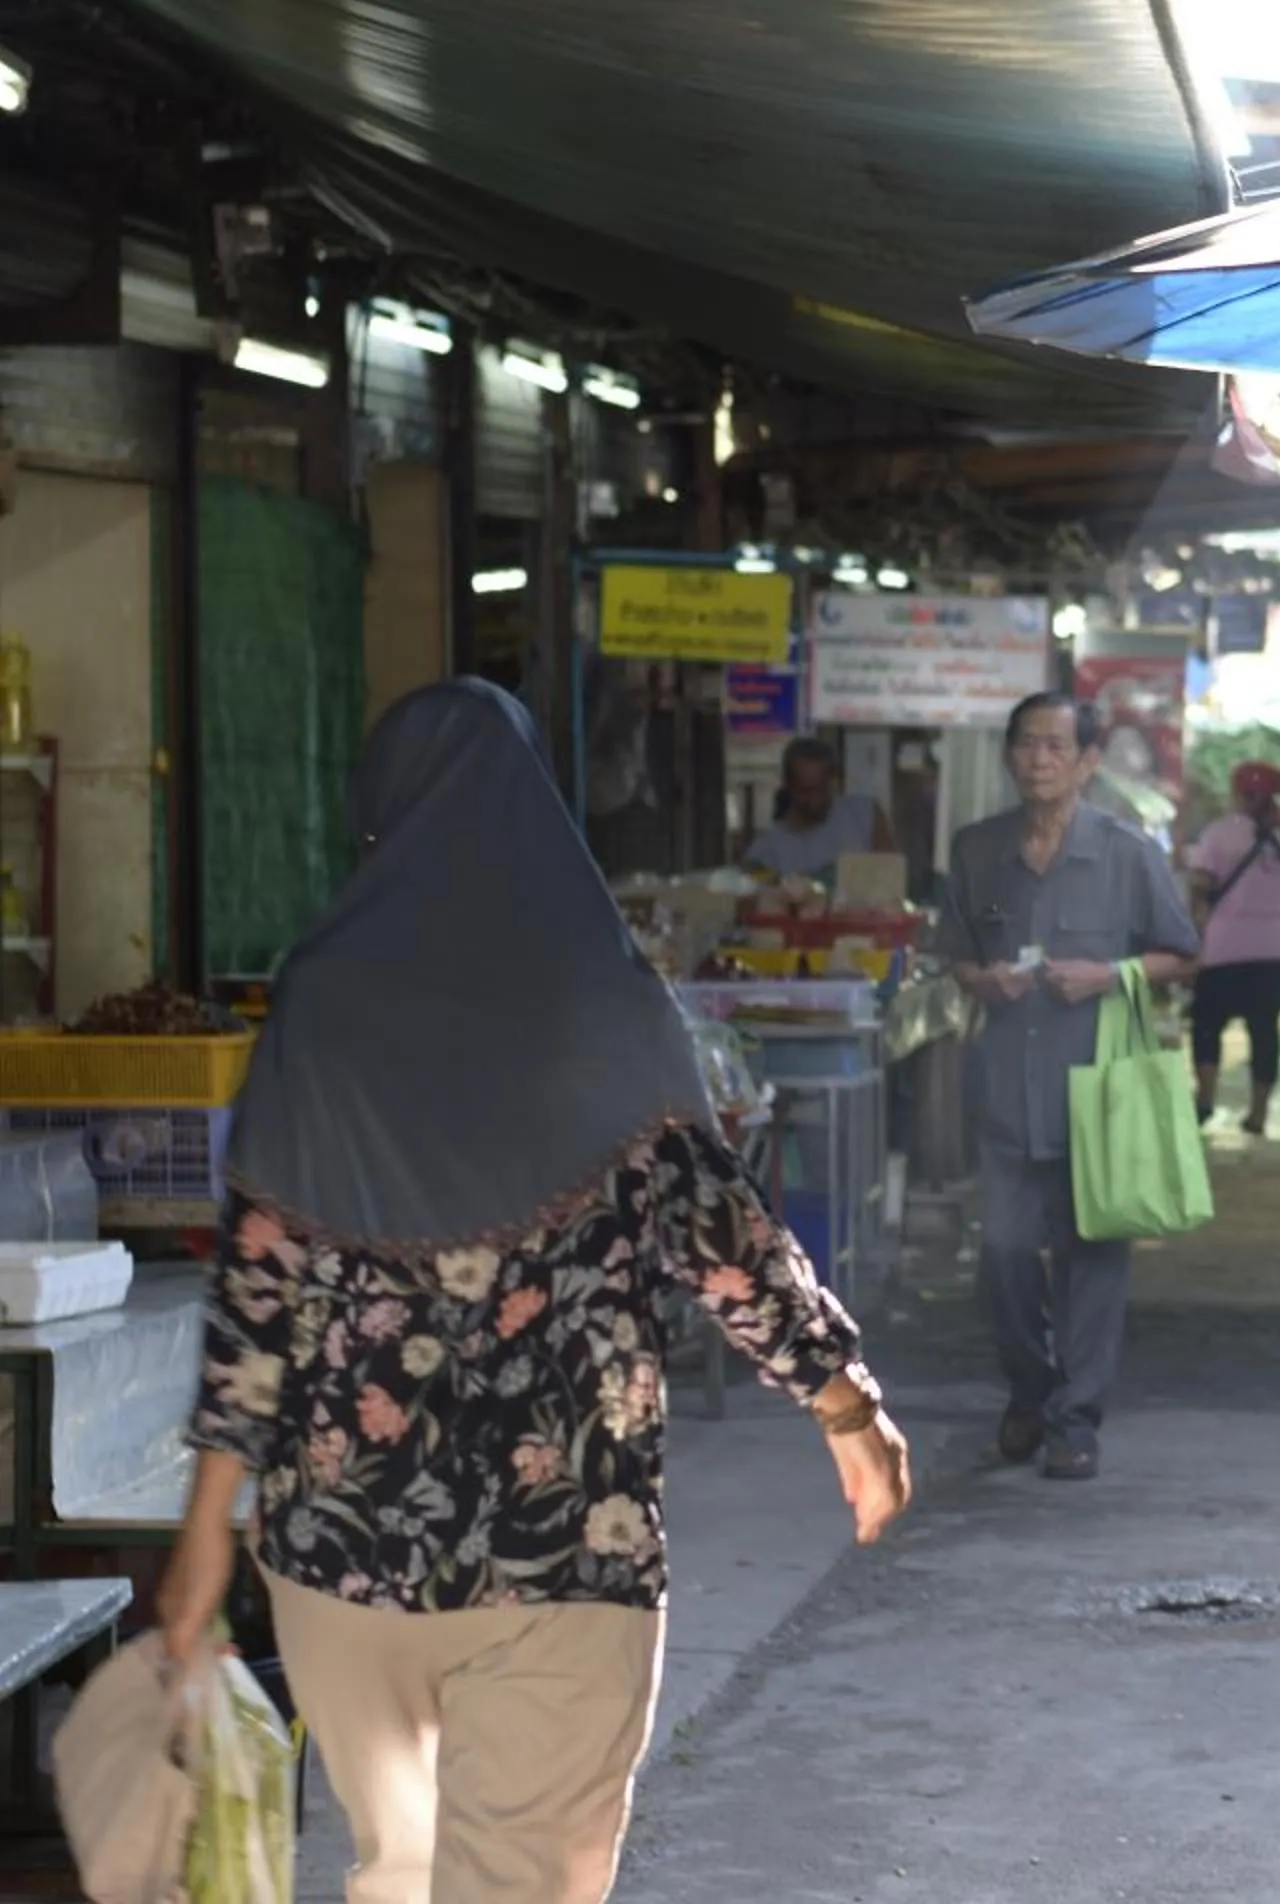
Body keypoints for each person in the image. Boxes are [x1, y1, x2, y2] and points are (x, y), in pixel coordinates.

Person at [154, 679, 910, 1904]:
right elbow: (725, 1240)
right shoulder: (608, 1002)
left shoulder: (323, 1001)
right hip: (564, 1547)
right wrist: (844, 1401)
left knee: (401, 1873)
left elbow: (259, 1287)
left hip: (344, 1560)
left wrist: (204, 1528)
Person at [940, 693, 1200, 1482]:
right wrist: (983, 980)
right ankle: (1029, 1389)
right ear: (1008, 756)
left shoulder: (1127, 853)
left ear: (1088, 763)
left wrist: (1110, 975)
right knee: (1004, 1257)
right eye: (1027, 744)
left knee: (1092, 1262)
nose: (1039, 760)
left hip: (1097, 1094)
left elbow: (1182, 954)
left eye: (1056, 747)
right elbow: (958, 952)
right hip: (1005, 1093)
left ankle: (1075, 1421)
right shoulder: (978, 850)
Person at [1184, 759, 1280, 1137]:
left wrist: (1194, 935)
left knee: (1207, 1024)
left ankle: (1205, 1097)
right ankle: (1258, 1113)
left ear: (1237, 795)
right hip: (1275, 954)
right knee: (1265, 1031)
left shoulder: (1218, 835)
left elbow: (1198, 886)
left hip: (1222, 951)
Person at [741, 735, 895, 881]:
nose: (815, 801)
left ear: (832, 782)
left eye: (821, 790)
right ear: (789, 786)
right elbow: (754, 885)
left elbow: (892, 875)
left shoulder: (865, 815)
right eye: (804, 791)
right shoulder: (766, 849)